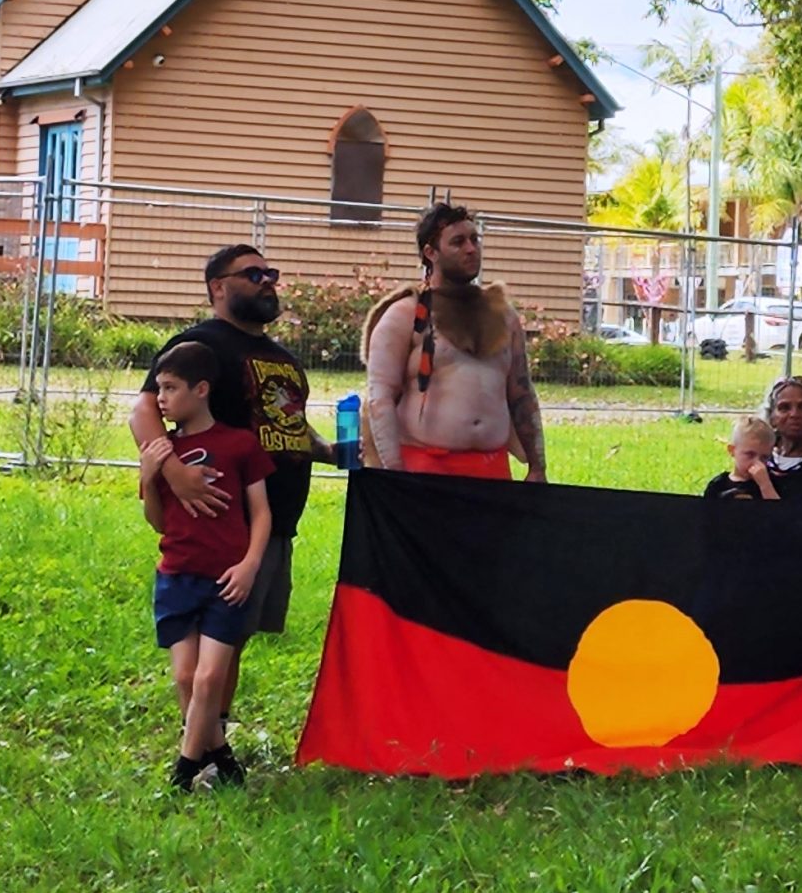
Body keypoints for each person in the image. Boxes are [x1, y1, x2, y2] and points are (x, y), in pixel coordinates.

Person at [125, 244, 319, 760]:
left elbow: (285, 425)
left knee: (237, 633)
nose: (266, 281)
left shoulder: (282, 357)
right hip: (222, 523)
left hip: (275, 521)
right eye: (252, 274)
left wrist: (327, 449)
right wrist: (174, 472)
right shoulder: (199, 345)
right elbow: (143, 411)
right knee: (216, 638)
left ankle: (212, 736)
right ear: (217, 287)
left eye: (270, 273)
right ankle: (204, 750)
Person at [137, 342, 274, 791]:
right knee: (185, 676)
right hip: (176, 575)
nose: (160, 399)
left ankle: (184, 769)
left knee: (210, 675)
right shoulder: (166, 451)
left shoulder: (239, 444)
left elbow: (262, 513)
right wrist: (148, 475)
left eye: (171, 388)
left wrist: (251, 564)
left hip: (227, 578)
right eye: (158, 388)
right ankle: (222, 758)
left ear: (201, 390)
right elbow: (158, 521)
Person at [362, 204, 547, 481]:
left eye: (475, 239)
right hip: (424, 471)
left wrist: (537, 466)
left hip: (492, 470)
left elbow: (521, 394)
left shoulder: (503, 315)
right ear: (430, 253)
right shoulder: (405, 314)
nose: (471, 249)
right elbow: (381, 398)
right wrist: (395, 474)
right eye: (458, 242)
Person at [705, 416, 783, 500]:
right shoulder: (718, 485)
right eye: (750, 454)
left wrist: (765, 485)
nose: (757, 463)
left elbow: (778, 511)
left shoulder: (772, 483)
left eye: (764, 457)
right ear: (732, 451)